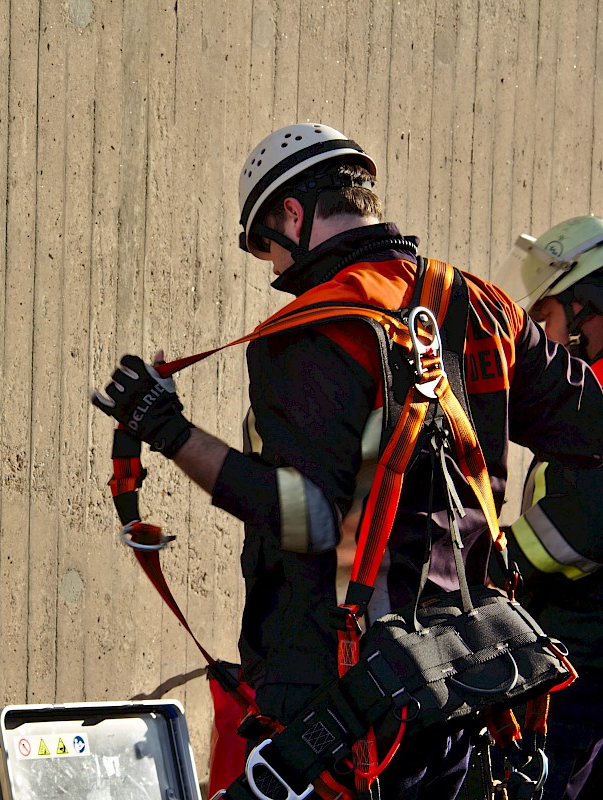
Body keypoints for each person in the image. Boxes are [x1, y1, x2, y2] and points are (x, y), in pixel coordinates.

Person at [91, 123, 603, 799]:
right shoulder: (481, 306)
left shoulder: (313, 331)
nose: (273, 269)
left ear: (295, 215)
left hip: (345, 708)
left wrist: (171, 433)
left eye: (266, 245)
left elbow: (312, 521)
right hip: (462, 683)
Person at [495, 215, 603, 799]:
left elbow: (579, 528)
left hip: (583, 666)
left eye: (548, 318)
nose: (544, 339)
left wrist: (489, 569)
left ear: (590, 312)